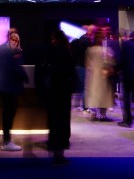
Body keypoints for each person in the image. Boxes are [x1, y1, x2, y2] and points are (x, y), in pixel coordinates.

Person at [0, 31, 28, 151]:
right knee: (10, 113)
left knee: (6, 113)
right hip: (11, 87)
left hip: (1, 86)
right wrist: (27, 79)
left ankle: (5, 138)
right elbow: (18, 69)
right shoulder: (17, 50)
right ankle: (7, 142)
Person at [44, 30, 76, 165]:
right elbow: (71, 71)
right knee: (62, 120)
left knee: (54, 120)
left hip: (53, 90)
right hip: (63, 91)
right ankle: (60, 152)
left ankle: (54, 145)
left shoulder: (51, 52)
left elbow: (47, 70)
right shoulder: (66, 52)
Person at [84, 28, 115, 121]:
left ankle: (93, 113)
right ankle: (103, 115)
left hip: (93, 75)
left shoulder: (90, 50)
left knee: (94, 94)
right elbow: (111, 62)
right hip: (103, 75)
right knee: (103, 95)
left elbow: (87, 64)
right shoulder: (106, 50)